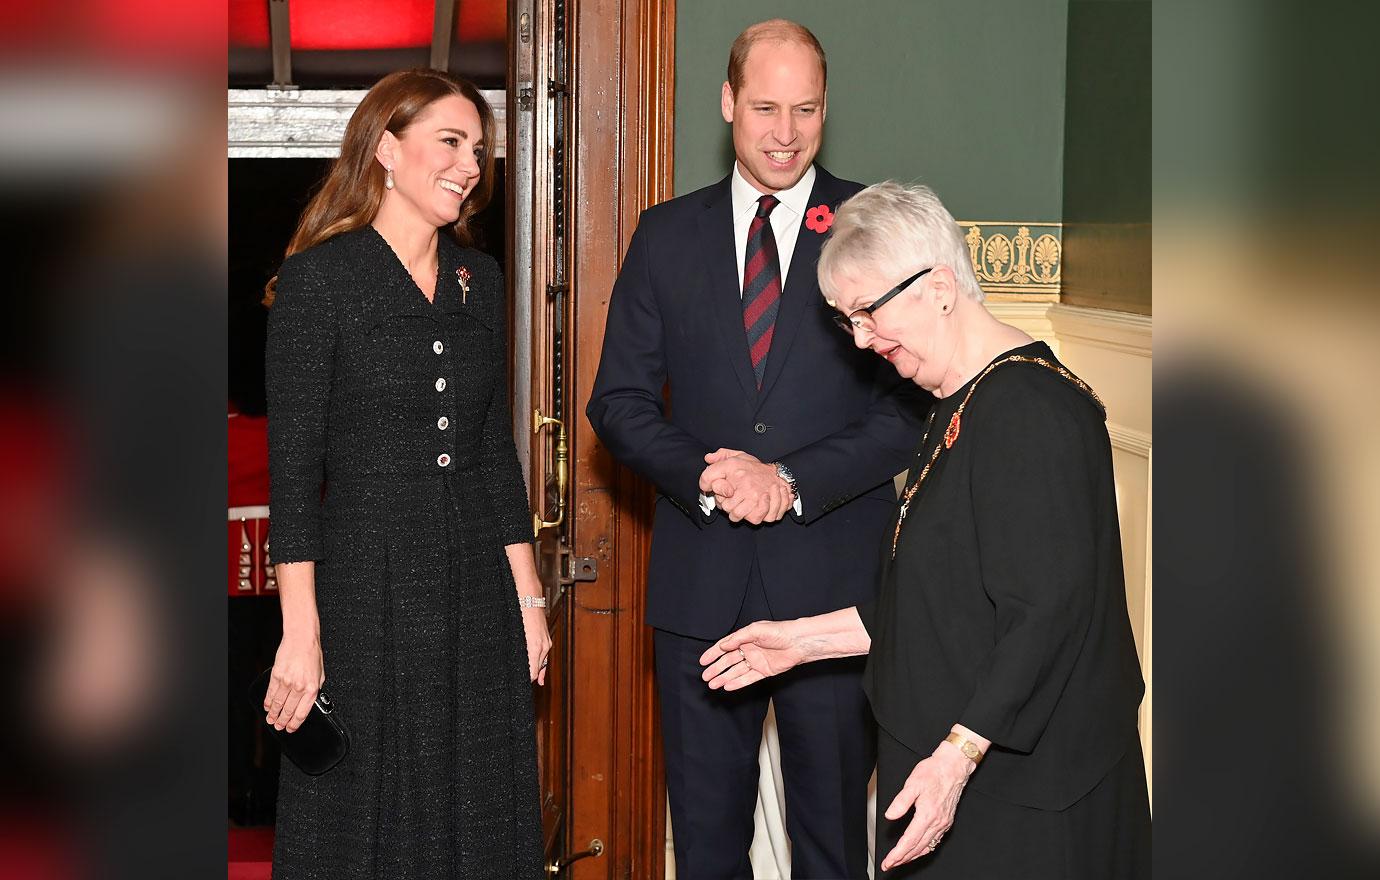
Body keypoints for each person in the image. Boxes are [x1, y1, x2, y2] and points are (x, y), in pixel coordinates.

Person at [701, 181, 1150, 878]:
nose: (860, 338)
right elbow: (944, 606)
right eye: (847, 319)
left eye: (867, 311)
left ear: (940, 286)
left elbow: (1045, 617)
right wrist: (799, 642)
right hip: (957, 773)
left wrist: (954, 761)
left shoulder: (1031, 410)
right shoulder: (953, 404)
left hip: (1023, 799)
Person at [587, 21, 928, 879]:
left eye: (805, 109)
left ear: (825, 109)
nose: (785, 131)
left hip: (836, 599)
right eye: (766, 107)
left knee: (833, 847)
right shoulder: (665, 236)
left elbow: (904, 414)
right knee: (706, 848)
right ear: (728, 103)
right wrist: (713, 476)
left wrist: (788, 481)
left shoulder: (868, 226)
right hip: (701, 587)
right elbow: (616, 404)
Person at [262, 69, 547, 878]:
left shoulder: (476, 280)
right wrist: (301, 632)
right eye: (449, 142)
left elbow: (493, 451)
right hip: (365, 581)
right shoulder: (321, 282)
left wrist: (528, 599)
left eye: (479, 150)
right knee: (366, 808)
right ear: (388, 149)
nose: (469, 164)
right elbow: (292, 477)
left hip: (473, 585)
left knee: (478, 797)